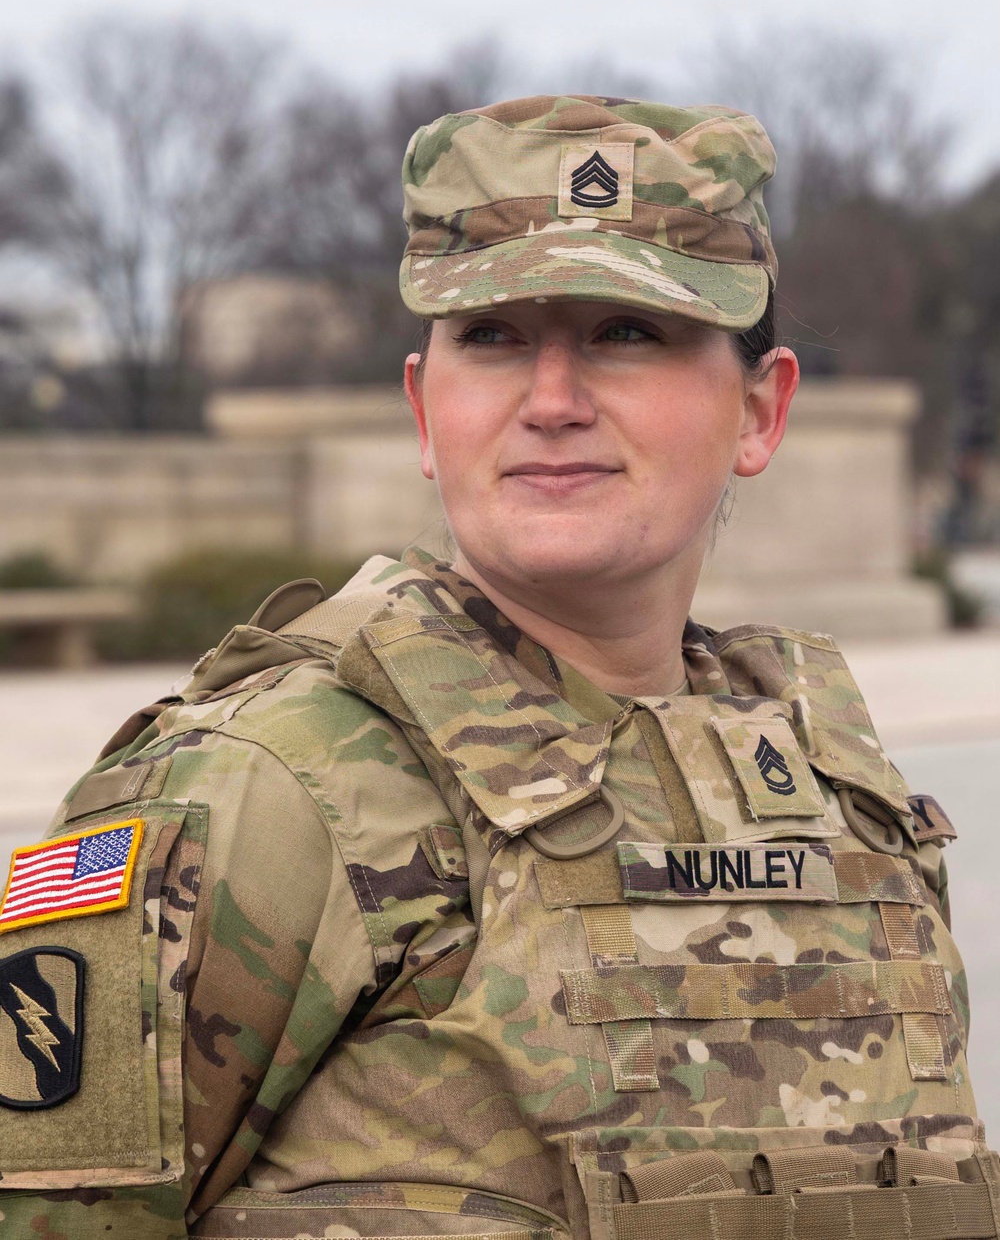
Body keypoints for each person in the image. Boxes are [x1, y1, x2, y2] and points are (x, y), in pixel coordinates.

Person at [0, 95, 993, 1239]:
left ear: (760, 410)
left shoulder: (837, 800)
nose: (553, 401)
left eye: (627, 333)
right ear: (426, 411)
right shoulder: (272, 788)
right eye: (493, 336)